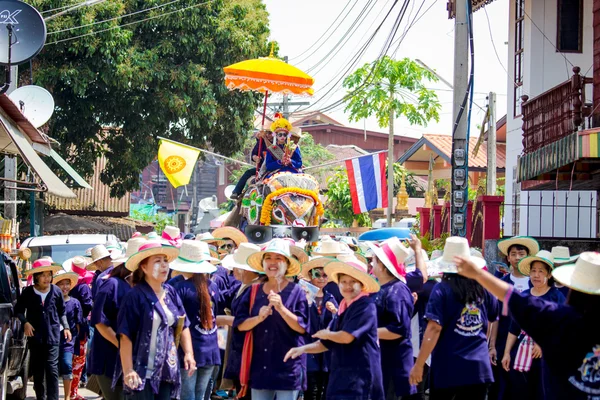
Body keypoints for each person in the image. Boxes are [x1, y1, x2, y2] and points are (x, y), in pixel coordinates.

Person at [455, 251, 600, 399]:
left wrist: (477, 274)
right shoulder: (556, 315)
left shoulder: (557, 317)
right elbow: (515, 317)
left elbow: (512, 297)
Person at [409, 237, 499, 400]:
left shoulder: (441, 290)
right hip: (478, 369)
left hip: (448, 368)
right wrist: (482, 343)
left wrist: (419, 364)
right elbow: (494, 317)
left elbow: (434, 328)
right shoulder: (483, 289)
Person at [284, 254, 384, 400]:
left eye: (353, 282)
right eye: (343, 281)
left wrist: (326, 334)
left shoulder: (365, 306)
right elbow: (325, 343)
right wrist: (302, 349)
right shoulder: (343, 306)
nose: (347, 286)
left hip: (361, 379)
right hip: (341, 377)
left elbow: (346, 336)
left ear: (362, 284)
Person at [117, 241, 196, 399]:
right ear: (144, 268)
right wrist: (128, 370)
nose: (164, 266)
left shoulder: (171, 292)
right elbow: (125, 336)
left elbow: (183, 323)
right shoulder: (135, 297)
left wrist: (189, 353)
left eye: (165, 261)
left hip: (167, 370)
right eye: (157, 261)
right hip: (141, 372)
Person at [234, 239, 308, 400]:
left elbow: (302, 328)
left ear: (287, 264)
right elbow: (240, 325)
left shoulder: (297, 292)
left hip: (288, 369)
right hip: (260, 368)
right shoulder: (253, 291)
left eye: (278, 258)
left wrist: (281, 309)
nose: (272, 263)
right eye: (268, 258)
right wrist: (258, 318)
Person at [501, 251, 565, 400]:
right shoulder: (524, 295)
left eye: (541, 271)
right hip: (521, 351)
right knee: (520, 391)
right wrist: (506, 353)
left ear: (549, 275)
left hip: (545, 357)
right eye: (533, 271)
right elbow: (514, 327)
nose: (536, 275)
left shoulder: (556, 297)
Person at [489, 236, 539, 400]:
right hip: (504, 340)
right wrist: (492, 345)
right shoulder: (501, 283)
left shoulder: (536, 285)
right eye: (513, 254)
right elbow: (495, 316)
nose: (517, 257)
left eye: (521, 253)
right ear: (508, 258)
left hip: (531, 344)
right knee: (503, 387)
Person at [170, 240, 222, 400]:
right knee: (200, 396)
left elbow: (175, 321)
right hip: (211, 349)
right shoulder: (213, 287)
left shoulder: (179, 288)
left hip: (189, 350)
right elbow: (217, 315)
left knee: (187, 396)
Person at [368, 238, 418, 399]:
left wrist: (366, 332)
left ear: (382, 266)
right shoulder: (387, 289)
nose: (371, 265)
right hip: (384, 363)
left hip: (395, 367)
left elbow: (398, 329)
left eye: (374, 261)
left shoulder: (396, 290)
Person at [16, 259, 72, 400]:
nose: (47, 278)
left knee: (52, 369)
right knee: (38, 370)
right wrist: (25, 323)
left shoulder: (56, 291)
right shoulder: (28, 292)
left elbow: (62, 312)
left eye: (49, 275)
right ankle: (40, 396)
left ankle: (53, 398)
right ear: (36, 277)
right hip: (35, 337)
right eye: (43, 275)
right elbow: (19, 311)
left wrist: (66, 327)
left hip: (53, 335)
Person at [220, 243, 263, 399]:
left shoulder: (257, 289)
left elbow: (253, 320)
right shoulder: (244, 286)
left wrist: (227, 320)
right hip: (240, 349)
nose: (235, 270)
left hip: (249, 350)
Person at [300, 256, 339, 400]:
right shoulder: (303, 295)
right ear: (310, 275)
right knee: (311, 389)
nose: (321, 278)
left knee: (325, 389)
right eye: (317, 274)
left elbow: (338, 321)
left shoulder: (330, 297)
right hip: (308, 346)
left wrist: (335, 311)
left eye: (325, 275)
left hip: (326, 353)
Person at [64, 256, 94, 398]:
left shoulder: (70, 289)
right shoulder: (84, 287)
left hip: (68, 329)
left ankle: (71, 392)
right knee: (78, 362)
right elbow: (88, 305)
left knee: (71, 361)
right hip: (80, 329)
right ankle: (73, 392)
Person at [53, 271, 84, 400]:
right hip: (52, 339)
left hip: (68, 341)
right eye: (61, 284)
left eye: (67, 284)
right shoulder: (52, 301)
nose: (65, 287)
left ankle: (67, 397)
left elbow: (78, 325)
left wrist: (77, 345)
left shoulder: (75, 303)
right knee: (52, 369)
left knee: (66, 364)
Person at [230, 134, 266, 200]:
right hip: (262, 169)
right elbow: (253, 154)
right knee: (248, 172)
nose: (269, 135)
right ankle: (236, 191)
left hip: (278, 168)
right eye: (267, 133)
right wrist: (255, 158)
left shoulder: (278, 143)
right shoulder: (261, 142)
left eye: (270, 133)